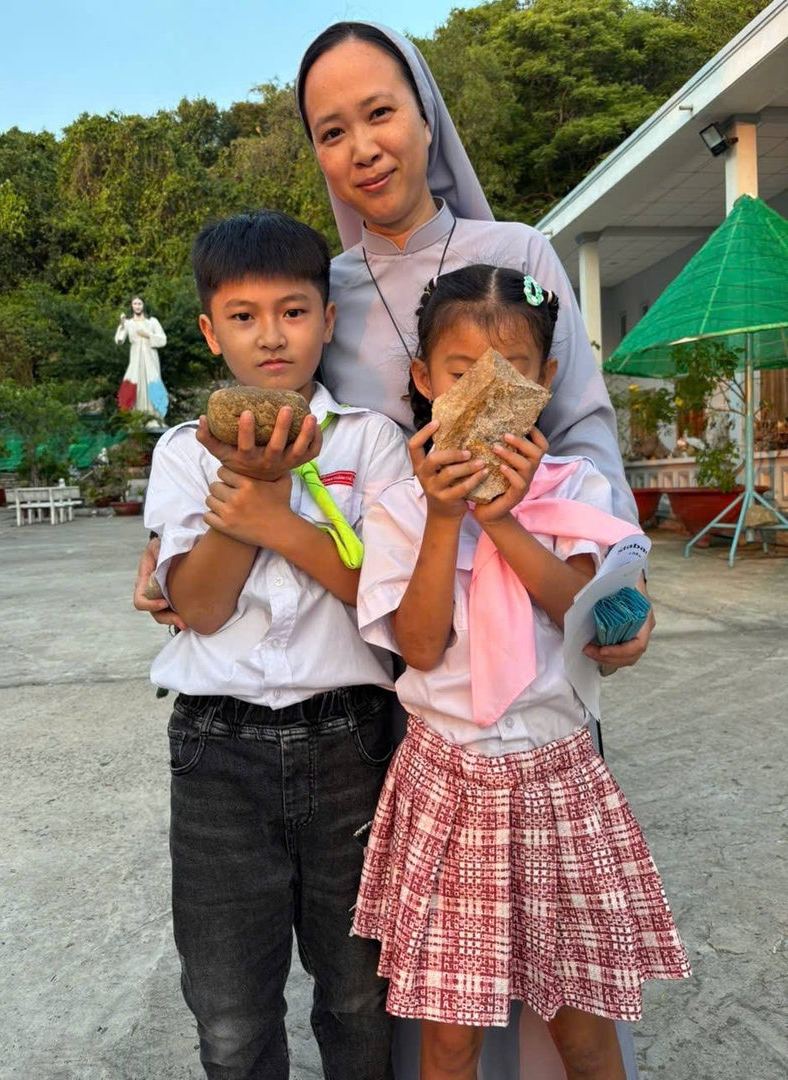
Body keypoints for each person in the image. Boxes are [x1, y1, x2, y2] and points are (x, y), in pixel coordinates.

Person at [134, 21, 652, 1075]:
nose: (363, 146)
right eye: (333, 130)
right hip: (402, 681)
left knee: (555, 977)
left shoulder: (517, 256)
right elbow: (262, 446)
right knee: (414, 984)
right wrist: (167, 553)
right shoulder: (317, 289)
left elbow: (585, 432)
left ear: (426, 117)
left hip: (529, 643)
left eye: (381, 113)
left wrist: (621, 590)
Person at [351, 264, 691, 1080]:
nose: (482, 394)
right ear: (424, 381)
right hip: (447, 785)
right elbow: (419, 646)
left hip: (558, 781)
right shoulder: (399, 506)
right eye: (461, 374)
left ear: (544, 381)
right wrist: (446, 518)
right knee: (448, 1042)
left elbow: (584, 613)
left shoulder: (578, 489)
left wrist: (503, 521)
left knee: (585, 1034)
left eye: (508, 375)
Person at [143, 210, 412, 1079]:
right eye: (244, 316)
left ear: (327, 320)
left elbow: (394, 601)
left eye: (293, 312)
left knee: (361, 997)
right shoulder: (184, 454)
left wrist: (277, 520)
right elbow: (199, 606)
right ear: (208, 331)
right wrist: (246, 493)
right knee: (230, 1012)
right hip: (217, 752)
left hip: (353, 743)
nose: (271, 336)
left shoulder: (369, 440)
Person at [115, 296, 169, 420]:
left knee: (152, 382)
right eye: (135, 303)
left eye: (140, 303)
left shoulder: (152, 322)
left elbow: (163, 339)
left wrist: (148, 335)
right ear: (131, 306)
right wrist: (122, 325)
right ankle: (138, 416)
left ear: (143, 305)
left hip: (150, 357)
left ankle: (154, 416)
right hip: (135, 358)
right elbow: (119, 340)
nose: (137, 306)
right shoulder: (128, 323)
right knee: (136, 384)